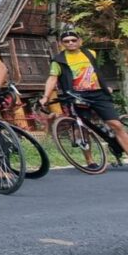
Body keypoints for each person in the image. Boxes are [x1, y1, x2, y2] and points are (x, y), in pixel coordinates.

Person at [42, 29, 128, 165]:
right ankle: (90, 161)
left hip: (98, 93)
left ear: (79, 41)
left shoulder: (90, 53)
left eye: (73, 40)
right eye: (66, 41)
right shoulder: (58, 60)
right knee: (82, 127)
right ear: (61, 44)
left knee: (116, 124)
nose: (70, 43)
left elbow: (96, 72)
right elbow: (52, 79)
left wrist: (105, 86)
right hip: (77, 95)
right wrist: (45, 96)